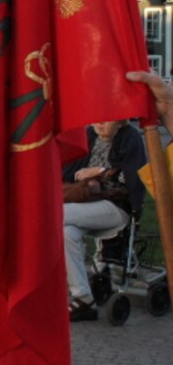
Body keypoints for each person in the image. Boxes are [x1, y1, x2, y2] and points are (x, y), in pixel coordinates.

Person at [61, 120, 146, 322]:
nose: (99, 122)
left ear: (120, 122)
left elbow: (133, 178)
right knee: (67, 233)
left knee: (57, 214)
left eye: (107, 118)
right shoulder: (89, 134)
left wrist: (99, 172)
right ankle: (84, 298)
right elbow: (67, 171)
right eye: (98, 116)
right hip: (85, 203)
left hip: (117, 208)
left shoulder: (130, 137)